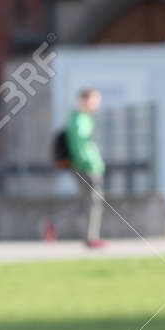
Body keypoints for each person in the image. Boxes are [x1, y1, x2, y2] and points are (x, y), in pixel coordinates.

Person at [66, 88, 107, 249]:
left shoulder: (83, 118)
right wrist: (87, 164)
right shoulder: (79, 119)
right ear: (83, 100)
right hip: (87, 167)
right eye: (94, 100)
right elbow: (80, 145)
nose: (96, 104)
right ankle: (91, 238)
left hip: (90, 165)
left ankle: (53, 224)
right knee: (94, 202)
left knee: (87, 202)